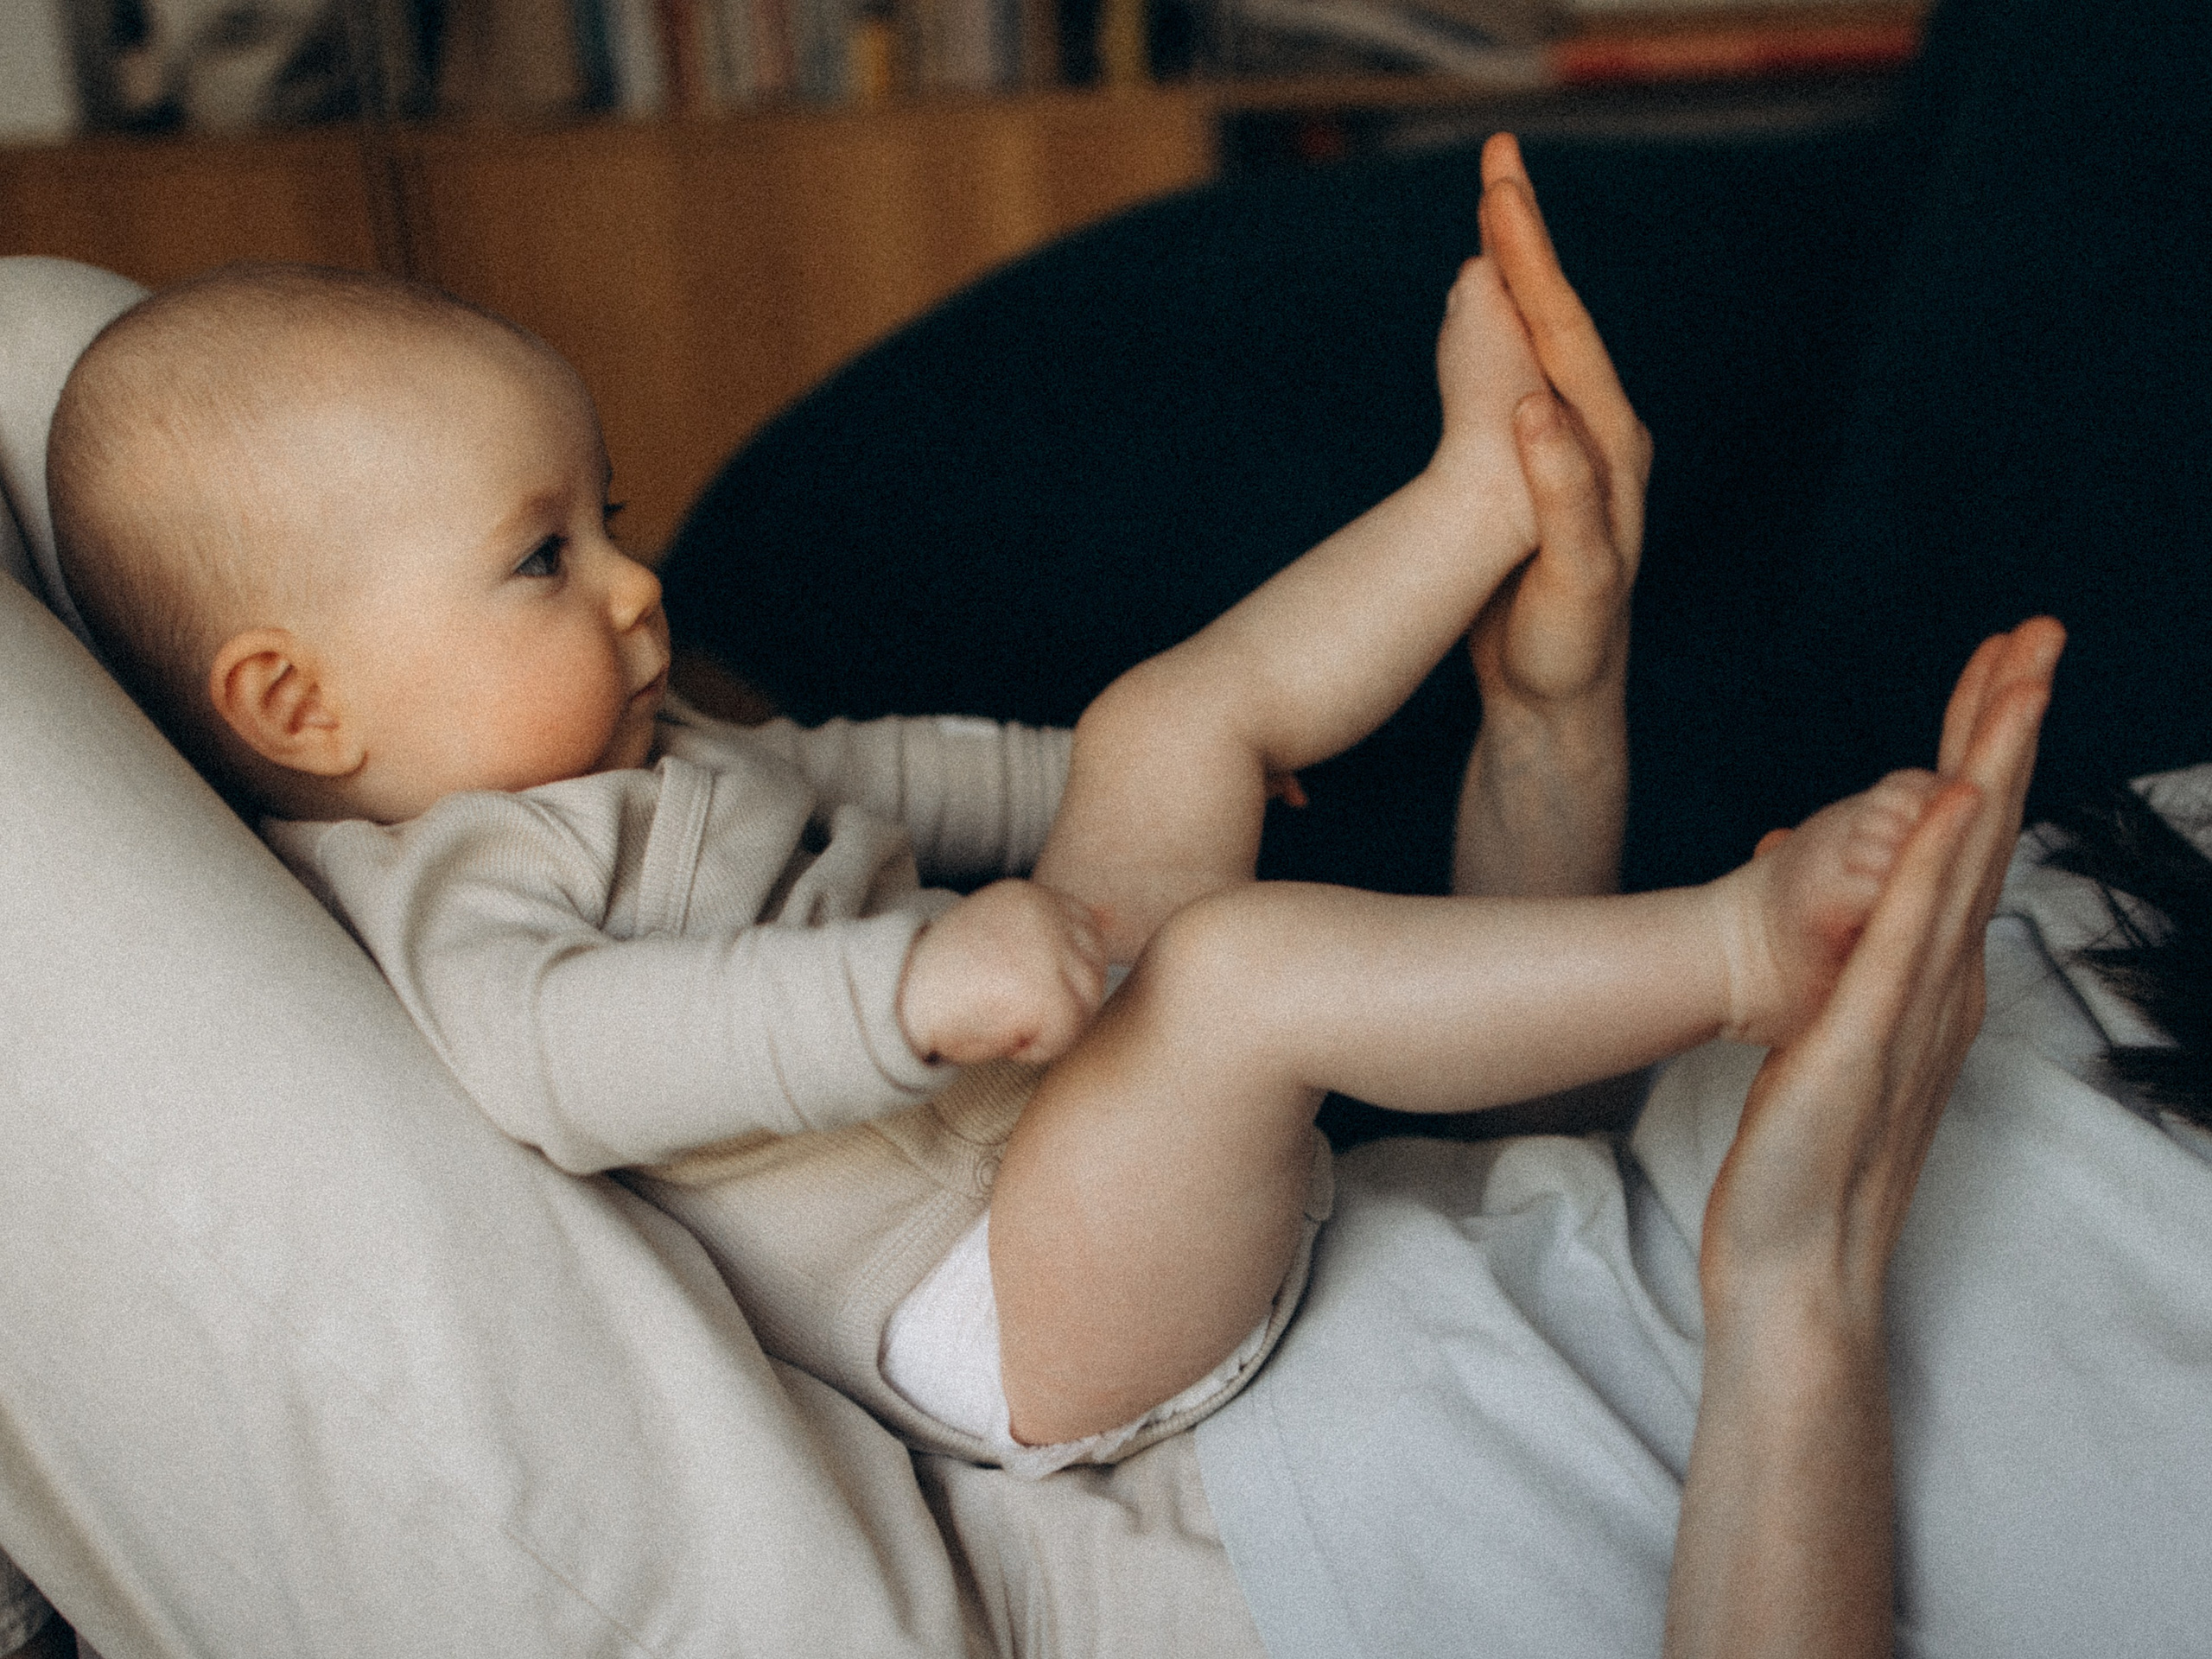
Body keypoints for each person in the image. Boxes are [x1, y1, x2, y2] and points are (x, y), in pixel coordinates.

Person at [42, 140, 1939, 1475]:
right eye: (538, 559)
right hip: (1005, 1314)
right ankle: (1734, 950)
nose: (632, 588)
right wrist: (901, 993)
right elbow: (565, 1055)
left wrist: (1105, 783)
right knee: (1233, 980)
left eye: (607, 520)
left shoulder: (625, 750)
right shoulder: (445, 892)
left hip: (1035, 1130)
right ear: (297, 699)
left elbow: (867, 767)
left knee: (1159, 717)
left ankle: (1475, 502)